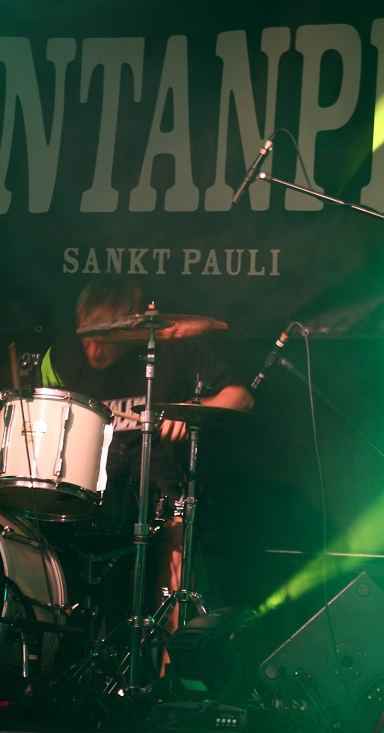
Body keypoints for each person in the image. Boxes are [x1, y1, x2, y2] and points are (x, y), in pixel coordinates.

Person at [40, 275, 254, 661]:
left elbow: (241, 396)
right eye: (86, 335)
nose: (92, 348)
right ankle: (55, 656)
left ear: (128, 331)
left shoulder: (174, 352)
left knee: (174, 540)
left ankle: (165, 674)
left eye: (104, 339)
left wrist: (194, 413)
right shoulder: (60, 355)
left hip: (155, 480)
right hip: (85, 479)